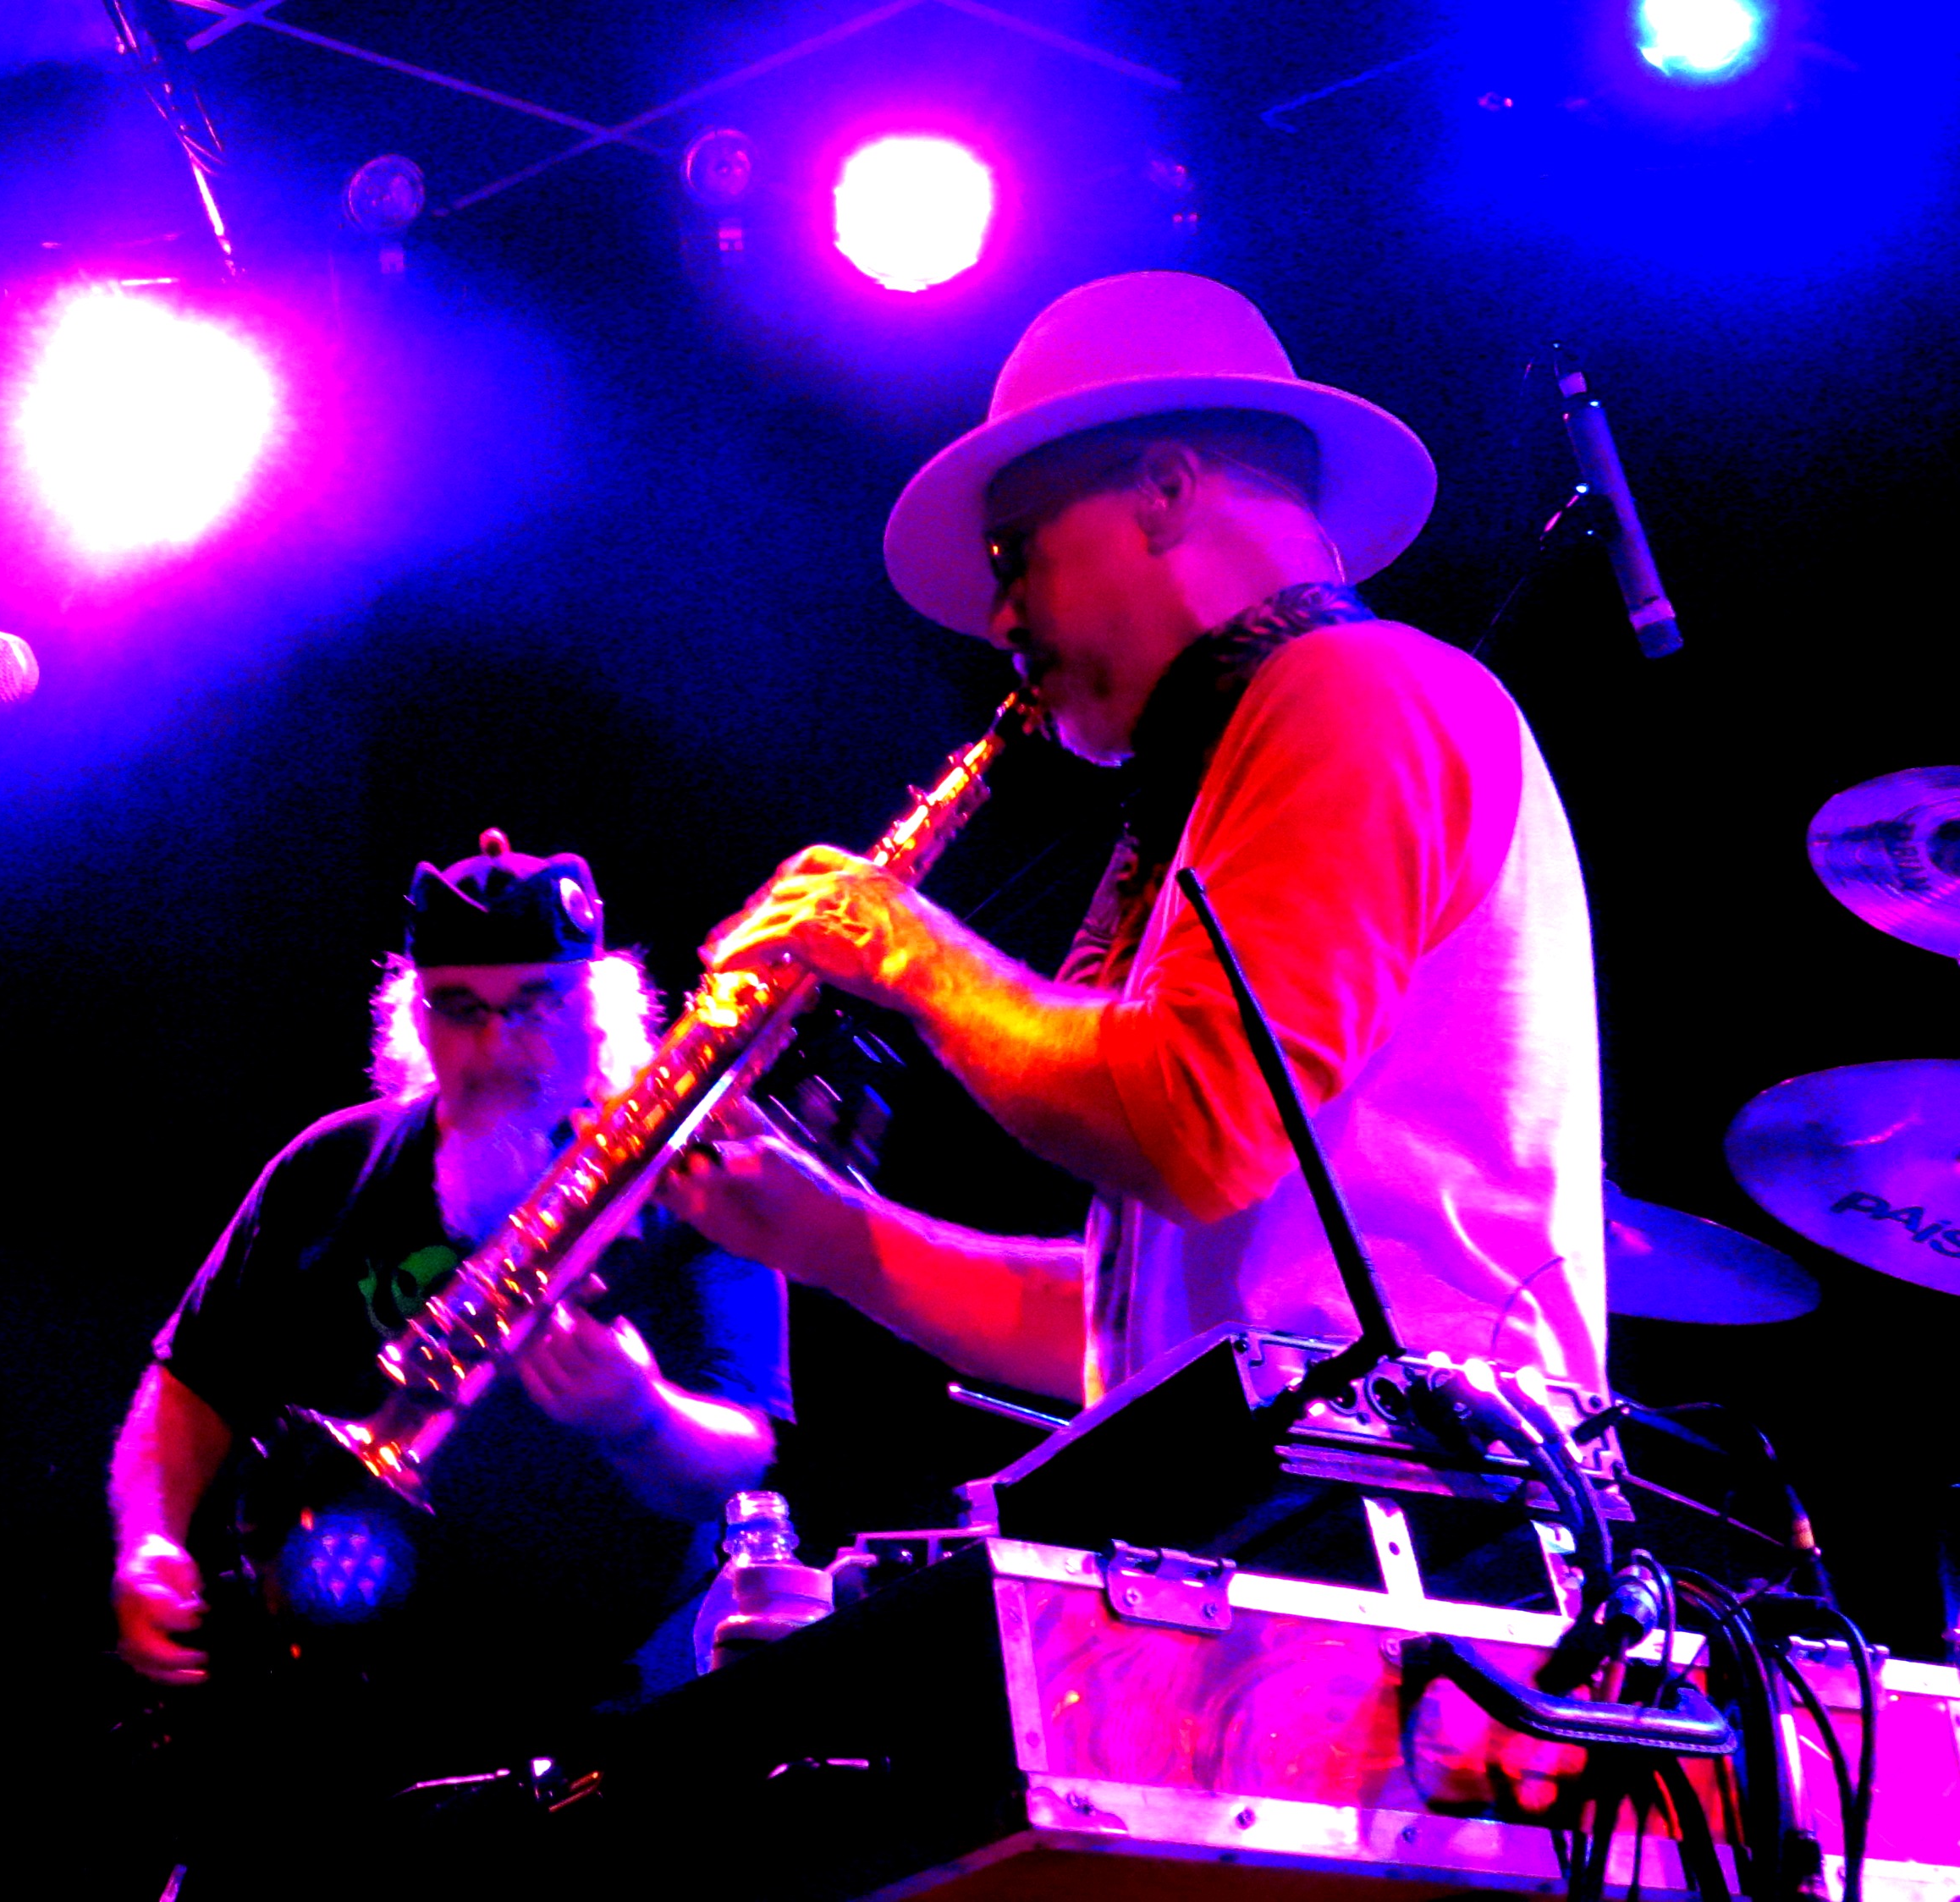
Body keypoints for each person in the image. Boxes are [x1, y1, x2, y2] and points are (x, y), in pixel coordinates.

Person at [669, 269, 1606, 1421]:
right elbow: (1155, 1334)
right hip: (1343, 1486)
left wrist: (904, 951)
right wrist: (828, 1235)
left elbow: (1196, 1127)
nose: (999, 618)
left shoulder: (1354, 684)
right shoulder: (1236, 760)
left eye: (1014, 554)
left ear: (1163, 488)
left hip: (1420, 1506)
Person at [109, 833, 790, 1888]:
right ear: (417, 1019)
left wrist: (640, 1414)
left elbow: (741, 1449)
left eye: (535, 1004)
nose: (498, 1044)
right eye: (461, 1007)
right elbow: (188, 1384)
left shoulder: (688, 1186)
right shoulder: (329, 1166)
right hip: (320, 1755)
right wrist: (148, 1542)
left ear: (597, 1011)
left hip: (590, 1757)